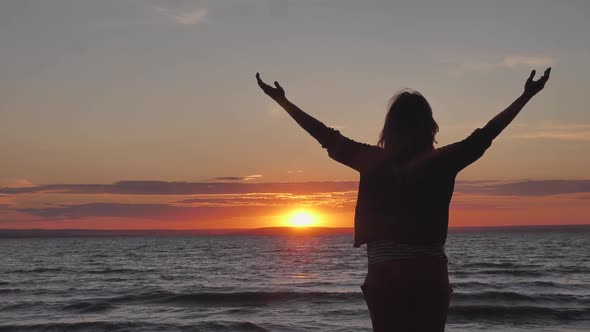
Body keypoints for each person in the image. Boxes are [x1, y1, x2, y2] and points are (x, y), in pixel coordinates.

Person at [256, 68, 551, 331]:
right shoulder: (443, 160)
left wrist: (283, 102)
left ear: (390, 128)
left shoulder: (372, 159)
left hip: (384, 275)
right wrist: (525, 96)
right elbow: (486, 135)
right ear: (430, 126)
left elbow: (324, 135)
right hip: (428, 274)